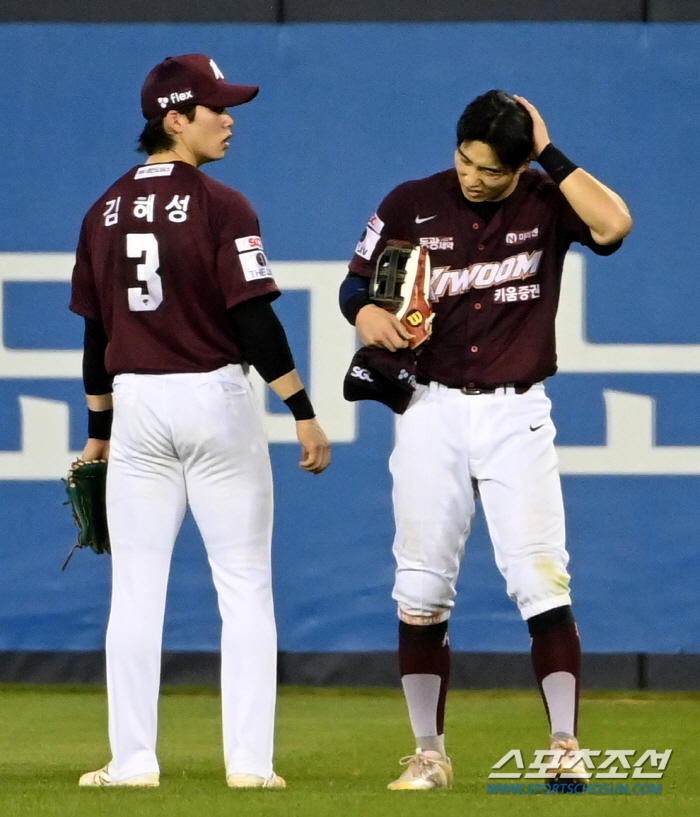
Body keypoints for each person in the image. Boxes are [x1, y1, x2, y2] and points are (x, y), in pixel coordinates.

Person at [339, 90, 632, 790]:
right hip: (430, 407)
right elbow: (355, 284)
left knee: (540, 577)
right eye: (465, 160)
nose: (473, 176)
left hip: (515, 410)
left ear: (522, 162)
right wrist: (368, 315)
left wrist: (549, 155)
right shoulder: (414, 200)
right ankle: (428, 752)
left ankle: (565, 745)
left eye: (491, 169)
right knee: (419, 588)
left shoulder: (544, 198)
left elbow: (615, 225)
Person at [70, 53, 331, 789]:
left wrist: (99, 430)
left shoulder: (102, 210)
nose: (230, 116)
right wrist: (302, 411)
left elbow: (97, 336)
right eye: (216, 107)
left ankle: (133, 761)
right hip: (214, 399)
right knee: (244, 582)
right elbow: (251, 317)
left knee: (135, 589)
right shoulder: (224, 204)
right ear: (173, 119)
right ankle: (248, 765)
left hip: (138, 406)